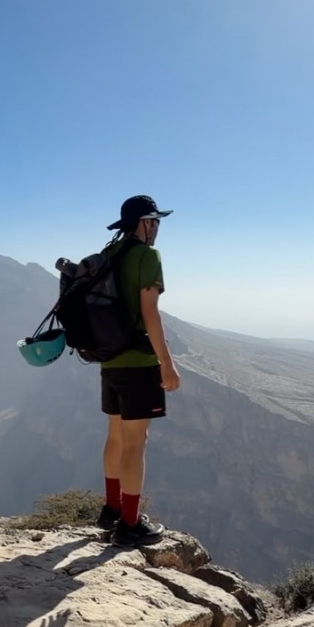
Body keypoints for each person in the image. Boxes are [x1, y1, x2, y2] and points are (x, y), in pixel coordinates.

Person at [96, 195, 181, 546]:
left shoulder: (109, 253)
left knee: (115, 436)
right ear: (143, 224)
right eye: (154, 221)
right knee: (136, 442)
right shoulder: (148, 256)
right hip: (138, 363)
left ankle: (111, 509)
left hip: (109, 359)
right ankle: (129, 525)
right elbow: (150, 313)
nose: (157, 227)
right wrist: (167, 363)